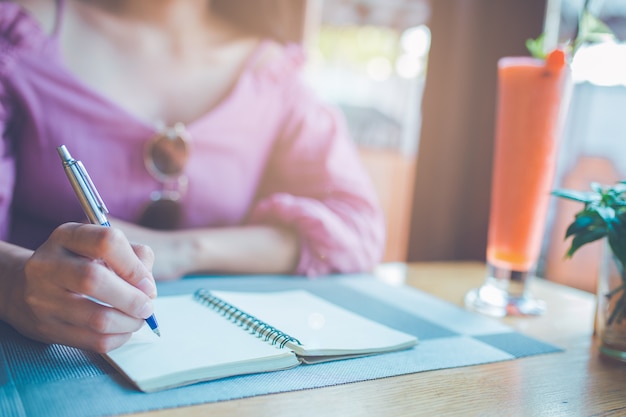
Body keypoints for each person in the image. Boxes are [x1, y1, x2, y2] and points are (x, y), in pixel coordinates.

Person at [0, 0, 386, 352]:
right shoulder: (17, 41)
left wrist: (184, 251)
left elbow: (359, 228)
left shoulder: (274, 74)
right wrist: (16, 283)